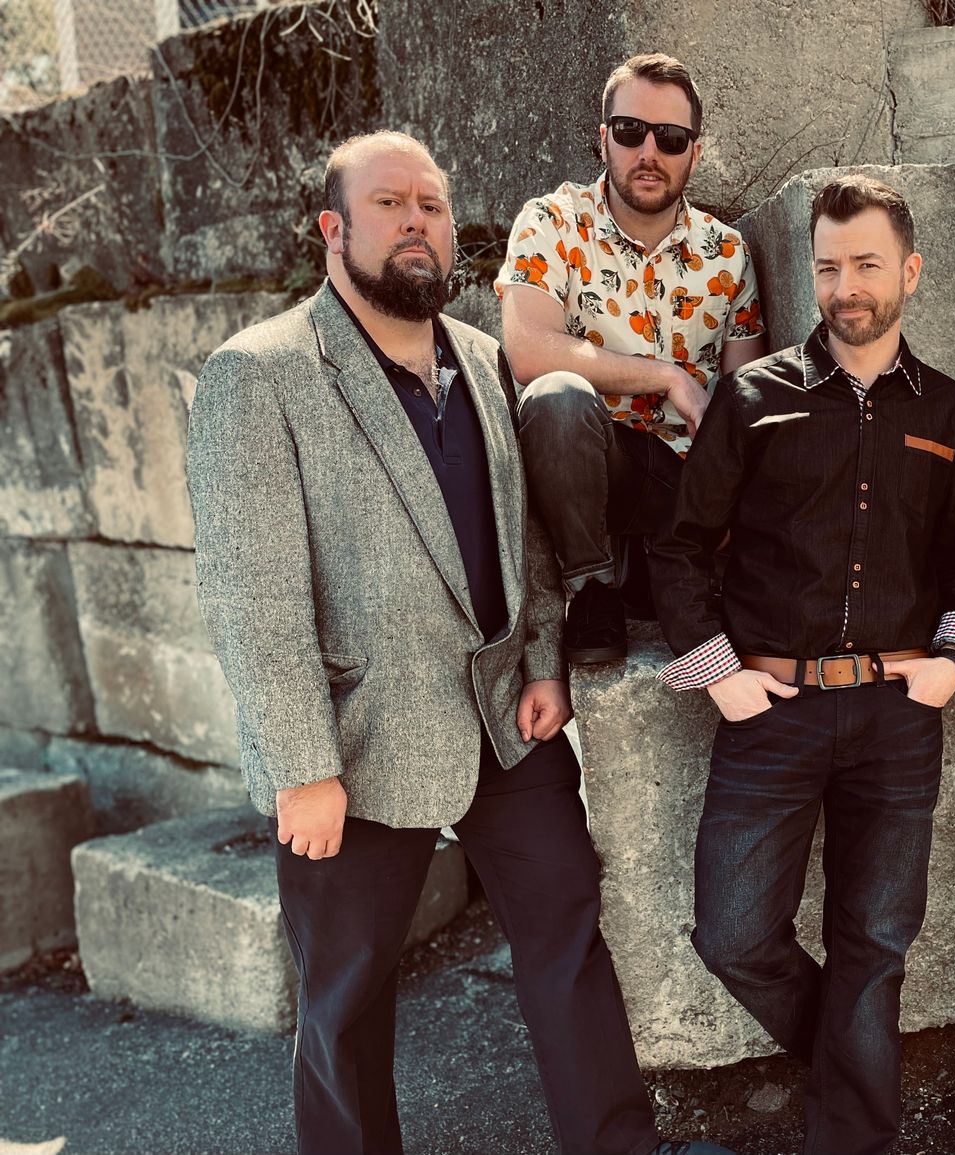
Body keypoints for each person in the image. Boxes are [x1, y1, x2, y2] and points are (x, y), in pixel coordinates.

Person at [187, 130, 728, 1155]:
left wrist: (544, 660)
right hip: (354, 738)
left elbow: (524, 534)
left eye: (431, 205)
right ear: (333, 228)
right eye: (389, 204)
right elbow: (252, 598)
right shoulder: (257, 374)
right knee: (346, 998)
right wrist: (301, 768)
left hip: (503, 720)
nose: (416, 223)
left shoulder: (480, 358)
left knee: (567, 936)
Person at [651, 175, 955, 1155]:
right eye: (827, 267)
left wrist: (952, 661)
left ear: (910, 272)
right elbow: (680, 547)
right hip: (773, 712)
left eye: (866, 265)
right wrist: (720, 673)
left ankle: (853, 1129)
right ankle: (858, 1076)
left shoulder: (949, 411)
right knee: (732, 934)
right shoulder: (752, 397)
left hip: (898, 714)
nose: (845, 287)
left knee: (874, 942)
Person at [496, 52, 767, 665]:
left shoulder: (728, 254)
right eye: (630, 131)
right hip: (591, 464)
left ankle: (662, 568)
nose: (649, 152)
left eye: (670, 138)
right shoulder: (553, 223)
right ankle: (593, 588)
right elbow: (528, 348)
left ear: (695, 152)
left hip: (685, 485)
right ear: (603, 139)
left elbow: (747, 395)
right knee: (557, 398)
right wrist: (666, 377)